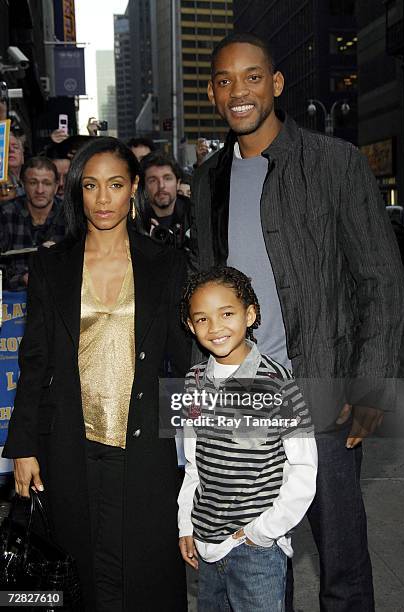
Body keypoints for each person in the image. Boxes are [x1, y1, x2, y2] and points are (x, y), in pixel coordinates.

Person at [189, 32, 404, 612]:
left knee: (341, 559)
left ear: (276, 85)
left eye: (253, 77)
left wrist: (372, 385)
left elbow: (381, 280)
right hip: (245, 396)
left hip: (325, 388)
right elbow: (205, 291)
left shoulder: (335, 163)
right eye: (226, 81)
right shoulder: (207, 181)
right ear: (213, 93)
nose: (240, 91)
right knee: (260, 556)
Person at [2, 136, 190, 611]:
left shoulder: (165, 264)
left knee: (144, 572)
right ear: (77, 192)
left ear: (133, 191)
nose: (102, 199)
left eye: (115, 185)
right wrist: (23, 445)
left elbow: (186, 360)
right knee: (79, 571)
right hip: (69, 442)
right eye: (91, 186)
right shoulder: (50, 265)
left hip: (144, 445)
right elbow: (34, 361)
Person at [177, 266, 317, 611]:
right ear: (190, 326)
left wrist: (263, 531)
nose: (216, 327)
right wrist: (186, 524)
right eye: (202, 319)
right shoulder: (193, 380)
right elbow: (194, 464)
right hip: (208, 546)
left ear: (249, 314)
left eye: (226, 313)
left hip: (256, 551)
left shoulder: (278, 382)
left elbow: (303, 468)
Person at [0, 157, 66, 290]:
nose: (40, 190)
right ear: (23, 184)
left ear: (56, 186)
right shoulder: (5, 214)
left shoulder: (70, 215)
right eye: (33, 182)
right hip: (13, 302)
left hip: (59, 298)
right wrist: (21, 279)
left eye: (46, 183)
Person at [138, 151, 191, 250]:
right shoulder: (135, 221)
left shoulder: (194, 215)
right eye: (153, 180)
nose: (161, 186)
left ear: (178, 183)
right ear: (144, 187)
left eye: (167, 178)